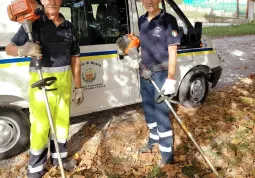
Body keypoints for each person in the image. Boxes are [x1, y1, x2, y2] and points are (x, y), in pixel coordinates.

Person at [5, 0, 84, 177]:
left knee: (62, 125)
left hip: (63, 86)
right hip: (41, 86)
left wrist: (78, 87)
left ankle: (59, 159)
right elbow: (9, 48)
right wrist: (22, 50)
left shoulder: (69, 27)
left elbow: (75, 58)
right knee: (40, 128)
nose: (52, 2)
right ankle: (35, 169)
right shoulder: (33, 23)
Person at [137, 0, 180, 166]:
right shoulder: (141, 20)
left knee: (162, 115)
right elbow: (145, 46)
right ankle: (153, 140)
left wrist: (170, 78)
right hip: (145, 74)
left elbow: (172, 51)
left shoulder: (168, 20)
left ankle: (167, 156)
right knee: (149, 111)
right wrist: (136, 55)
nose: (149, 1)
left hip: (161, 75)